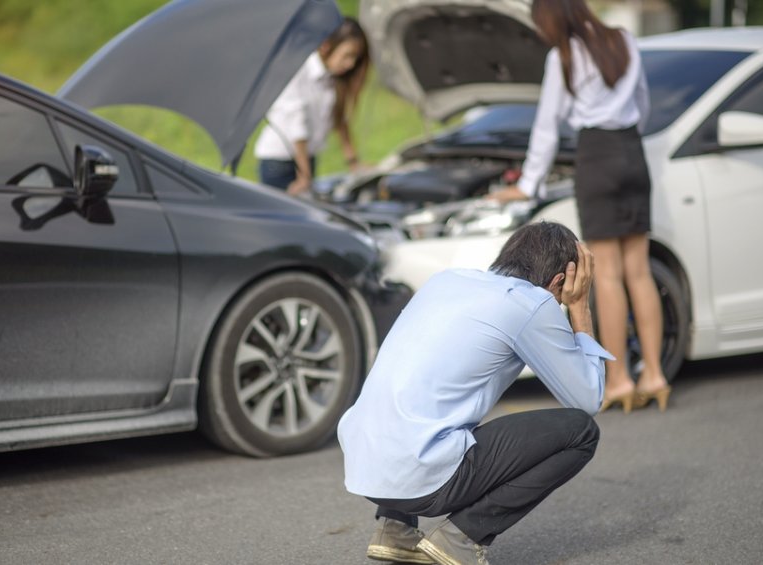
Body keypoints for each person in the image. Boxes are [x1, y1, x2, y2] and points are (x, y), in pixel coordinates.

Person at [338, 221, 611, 565]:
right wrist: (580, 308)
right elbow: (588, 399)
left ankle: (395, 528)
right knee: (581, 432)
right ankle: (462, 537)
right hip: (422, 479)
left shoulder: (445, 280)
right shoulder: (531, 303)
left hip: (362, 465)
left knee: (427, 399)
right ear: (560, 281)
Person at [489, 0, 671, 413]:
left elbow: (547, 125)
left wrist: (529, 184)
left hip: (596, 156)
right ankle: (655, 374)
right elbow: (642, 104)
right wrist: (625, 134)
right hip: (631, 150)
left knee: (606, 276)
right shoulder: (623, 40)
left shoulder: (563, 56)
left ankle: (621, 379)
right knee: (638, 270)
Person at [254, 16, 369, 196]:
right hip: (279, 163)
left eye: (355, 58)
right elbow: (297, 125)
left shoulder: (331, 78)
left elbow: (340, 121)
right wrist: (305, 175)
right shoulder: (298, 70)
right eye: (347, 55)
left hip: (306, 159)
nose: (351, 64)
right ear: (326, 46)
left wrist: (353, 163)